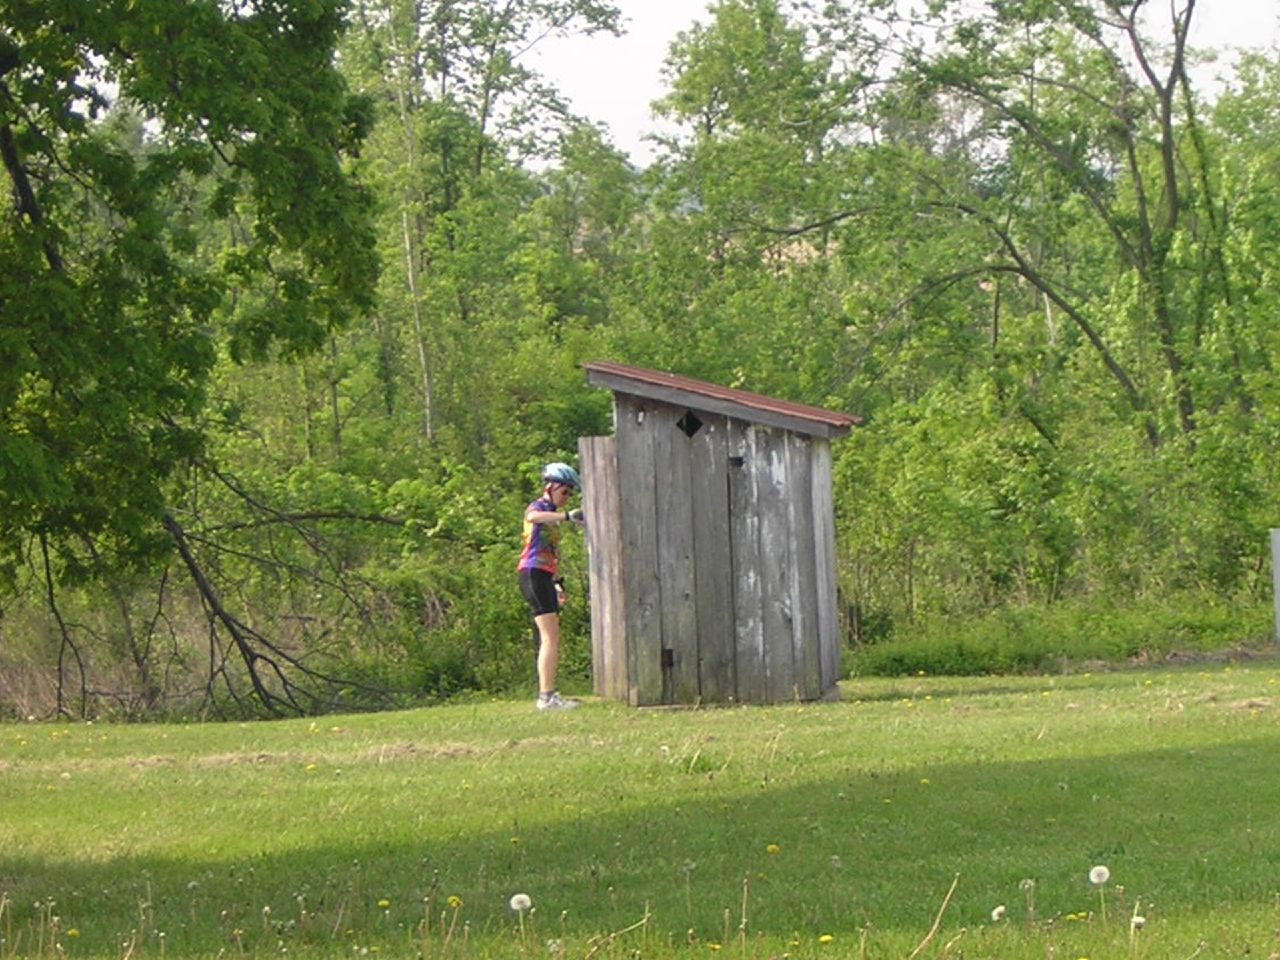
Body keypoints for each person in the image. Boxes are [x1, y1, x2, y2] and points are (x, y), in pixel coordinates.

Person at [517, 462, 585, 710]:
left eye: (570, 493)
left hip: (543, 575)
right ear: (550, 487)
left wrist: (556, 584)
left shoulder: (552, 514)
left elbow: (548, 552)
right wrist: (566, 516)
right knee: (550, 637)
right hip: (533, 573)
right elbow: (531, 517)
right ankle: (546, 697)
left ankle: (548, 695)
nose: (567, 497)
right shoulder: (541, 507)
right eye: (564, 492)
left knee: (551, 637)